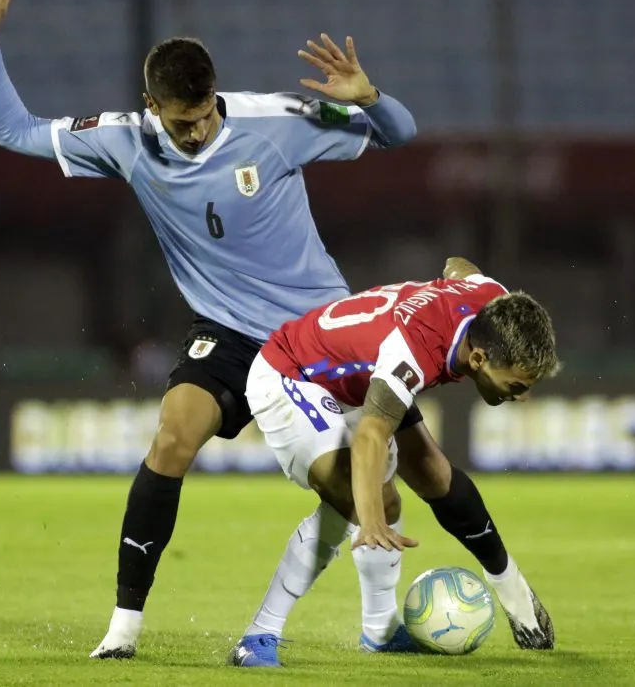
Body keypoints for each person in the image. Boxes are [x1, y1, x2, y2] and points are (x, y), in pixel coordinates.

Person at [0, 0, 424, 659]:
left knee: (387, 492)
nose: (197, 132)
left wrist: (370, 97)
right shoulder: (124, 139)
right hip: (229, 334)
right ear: (153, 107)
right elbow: (13, 130)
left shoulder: (275, 120)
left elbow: (401, 134)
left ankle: (412, 615)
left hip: (315, 336)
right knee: (170, 440)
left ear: (215, 96)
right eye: (182, 122)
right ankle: (123, 629)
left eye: (205, 115)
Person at [230, 258, 561, 667]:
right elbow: (371, 434)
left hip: (358, 379)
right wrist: (368, 520)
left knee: (420, 480)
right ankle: (258, 634)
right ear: (478, 359)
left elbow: (460, 267)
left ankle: (381, 631)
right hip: (293, 373)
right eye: (515, 385)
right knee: (354, 498)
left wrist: (445, 283)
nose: (522, 397)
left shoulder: (493, 302)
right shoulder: (414, 348)